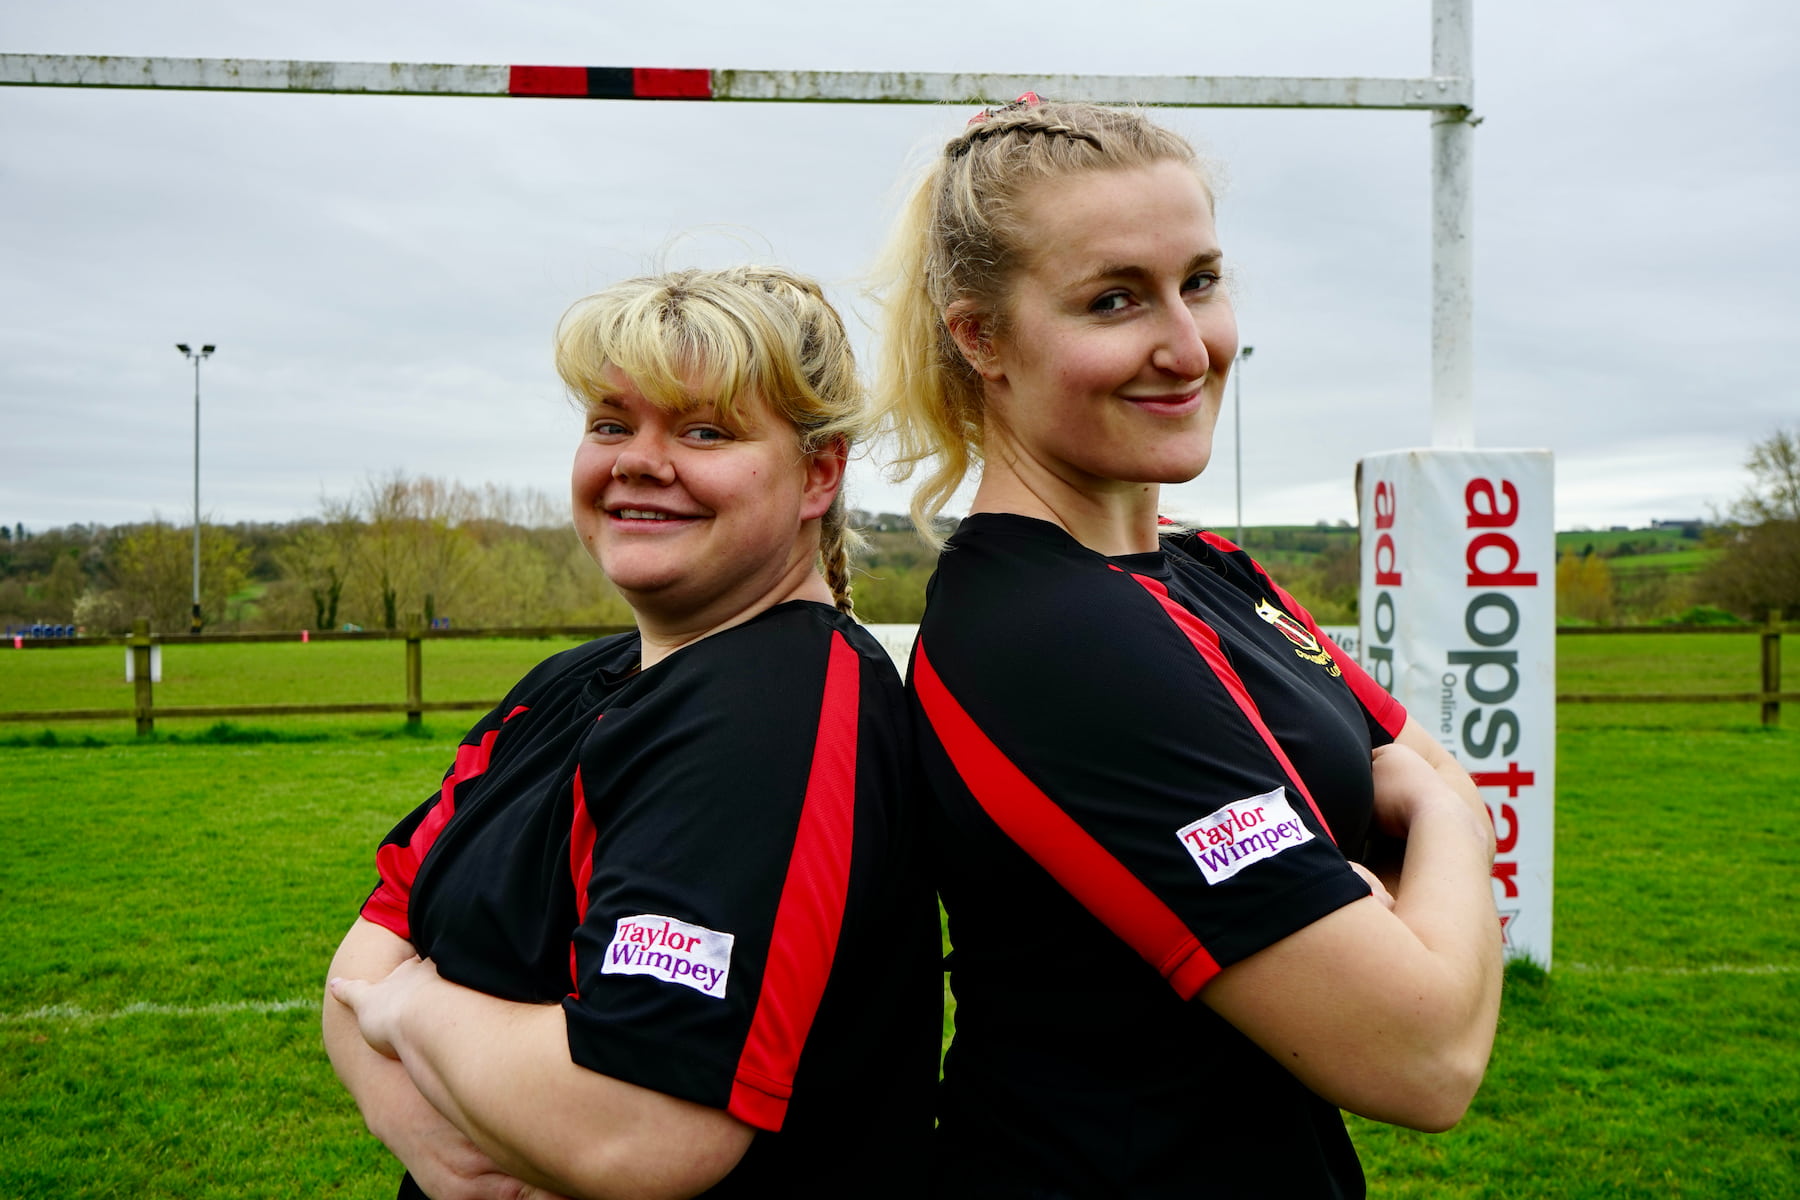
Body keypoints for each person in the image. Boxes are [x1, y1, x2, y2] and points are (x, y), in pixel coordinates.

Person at [873, 97, 1503, 1198]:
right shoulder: (1055, 637)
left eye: (1200, 282)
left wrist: (1414, 833)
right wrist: (1447, 818)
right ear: (980, 337)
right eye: (1114, 300)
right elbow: (1423, 1051)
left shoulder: (1206, 567)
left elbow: (1422, 763)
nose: (1186, 347)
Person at [324, 266, 942, 1200]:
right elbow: (355, 965)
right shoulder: (568, 681)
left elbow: (636, 1129)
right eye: (611, 424)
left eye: (704, 430)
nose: (637, 461)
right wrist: (442, 1152)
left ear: (819, 473)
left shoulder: (780, 710)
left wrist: (409, 1004)